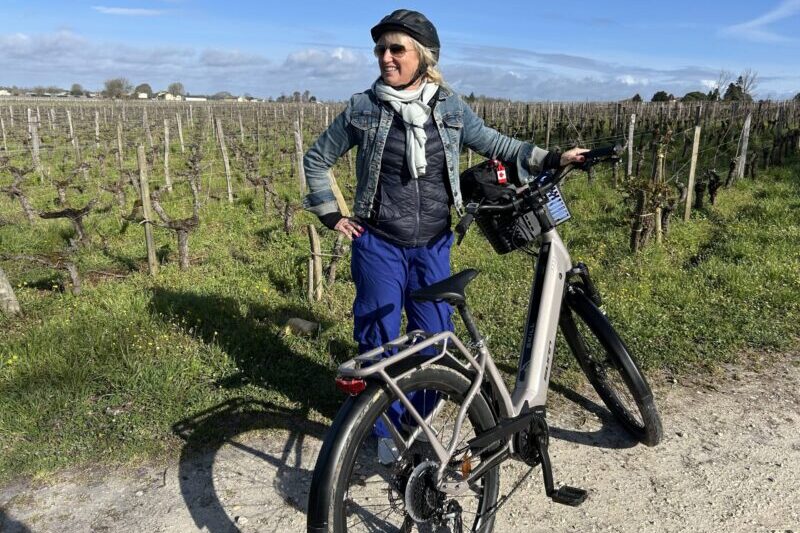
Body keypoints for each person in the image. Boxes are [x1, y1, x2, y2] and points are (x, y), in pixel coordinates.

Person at [303, 9, 587, 462]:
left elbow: (497, 144)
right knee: (376, 339)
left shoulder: (450, 108)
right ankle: (383, 432)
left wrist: (552, 158)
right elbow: (317, 158)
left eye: (397, 49)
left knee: (434, 343)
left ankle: (417, 423)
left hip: (434, 243)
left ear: (423, 56)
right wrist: (331, 215)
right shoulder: (363, 108)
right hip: (378, 242)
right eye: (381, 49)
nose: (386, 58)